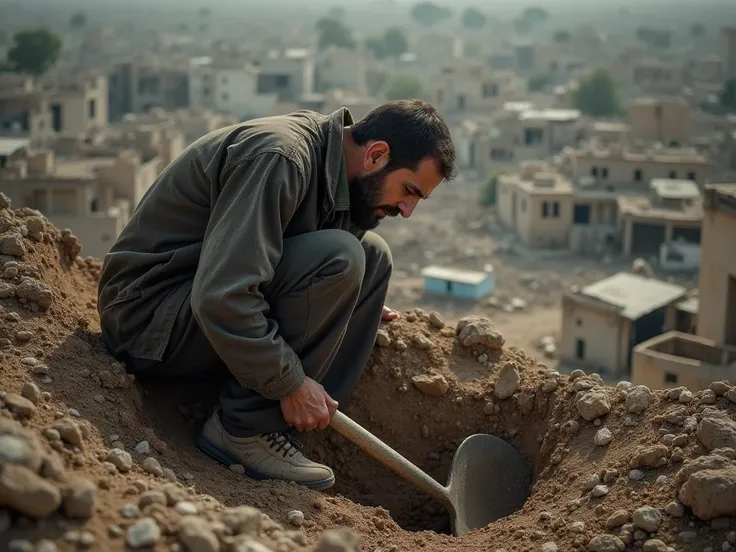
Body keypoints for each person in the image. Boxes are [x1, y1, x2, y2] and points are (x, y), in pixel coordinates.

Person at [97, 100, 457, 490]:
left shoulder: (336, 164)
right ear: (376, 155)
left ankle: (291, 423)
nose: (407, 211)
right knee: (344, 257)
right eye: (408, 190)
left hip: (190, 313)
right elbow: (222, 295)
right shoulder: (281, 158)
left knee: (372, 259)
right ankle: (243, 428)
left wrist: (347, 294)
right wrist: (289, 383)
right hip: (147, 320)